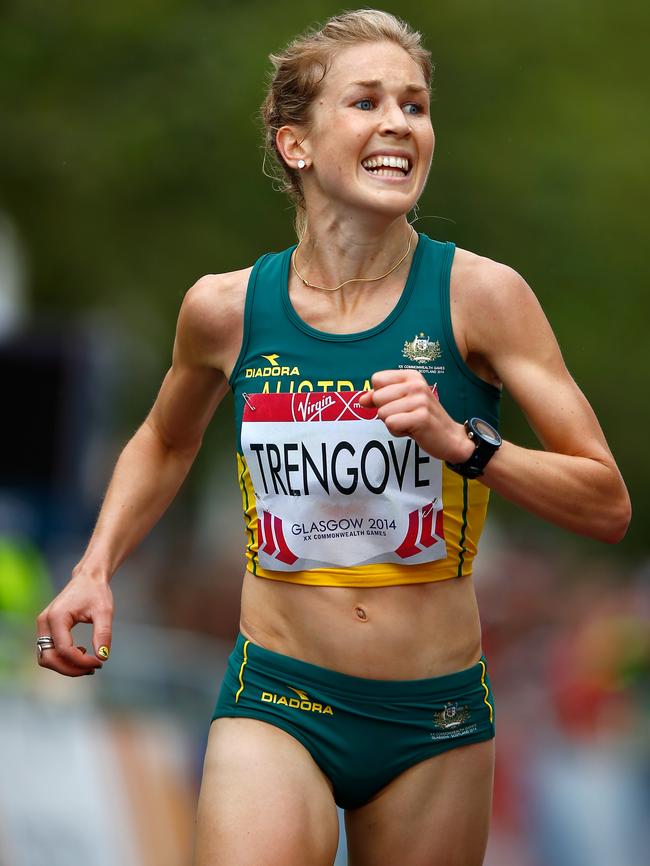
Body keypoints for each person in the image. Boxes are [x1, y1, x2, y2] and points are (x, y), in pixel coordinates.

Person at [36, 10, 631, 866]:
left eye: (416, 106)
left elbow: (606, 500)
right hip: (279, 694)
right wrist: (95, 567)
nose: (399, 123)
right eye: (367, 102)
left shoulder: (481, 296)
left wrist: (465, 443)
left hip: (434, 719)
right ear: (296, 145)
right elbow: (165, 442)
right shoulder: (226, 308)